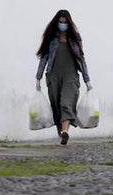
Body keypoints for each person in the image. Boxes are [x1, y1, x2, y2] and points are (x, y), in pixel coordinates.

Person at [35, 9, 92, 145]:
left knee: (66, 103)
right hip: (53, 75)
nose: (62, 25)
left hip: (70, 75)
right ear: (56, 23)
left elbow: (81, 59)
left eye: (65, 22)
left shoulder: (75, 38)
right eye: (60, 22)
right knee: (56, 106)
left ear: (69, 23)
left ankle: (65, 131)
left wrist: (87, 80)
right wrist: (38, 77)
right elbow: (44, 58)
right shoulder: (51, 38)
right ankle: (61, 134)